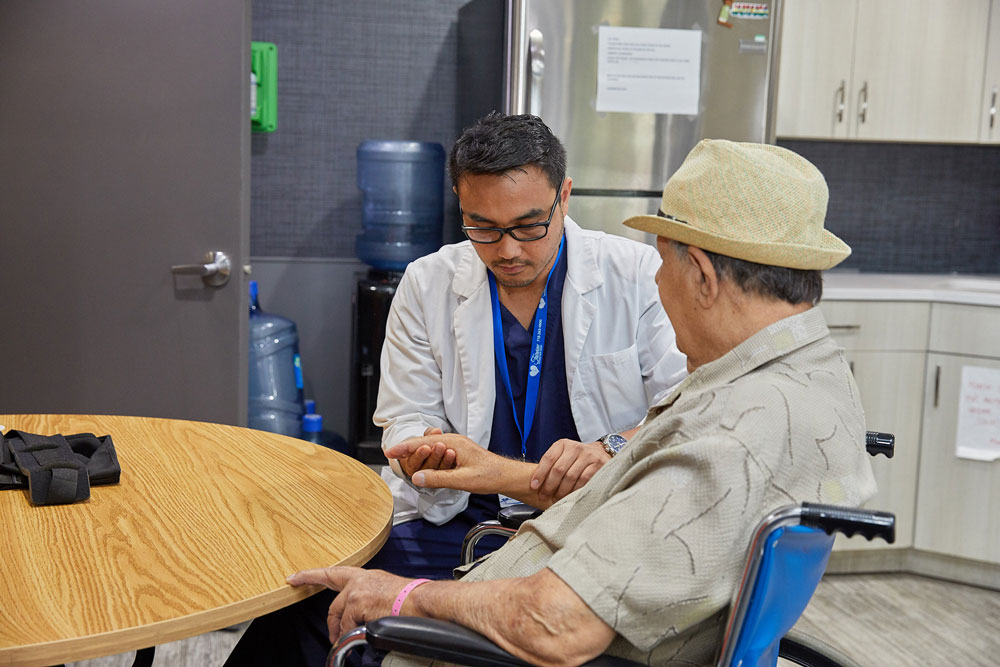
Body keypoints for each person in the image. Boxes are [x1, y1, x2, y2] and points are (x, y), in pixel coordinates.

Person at [286, 139, 878, 666]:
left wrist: (405, 597)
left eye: (664, 264)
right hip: (518, 564)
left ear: (700, 272)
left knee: (300, 617)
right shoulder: (798, 376)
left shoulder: (736, 434)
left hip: (498, 641)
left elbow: (556, 625)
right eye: (484, 227)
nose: (656, 282)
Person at [224, 113, 686, 666]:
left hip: (584, 531)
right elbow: (404, 416)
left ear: (564, 196)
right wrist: (422, 447)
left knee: (405, 630)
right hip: (462, 517)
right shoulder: (428, 282)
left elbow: (683, 409)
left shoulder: (635, 274)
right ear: (458, 205)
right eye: (483, 227)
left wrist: (608, 447)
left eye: (528, 225)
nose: (507, 249)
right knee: (312, 599)